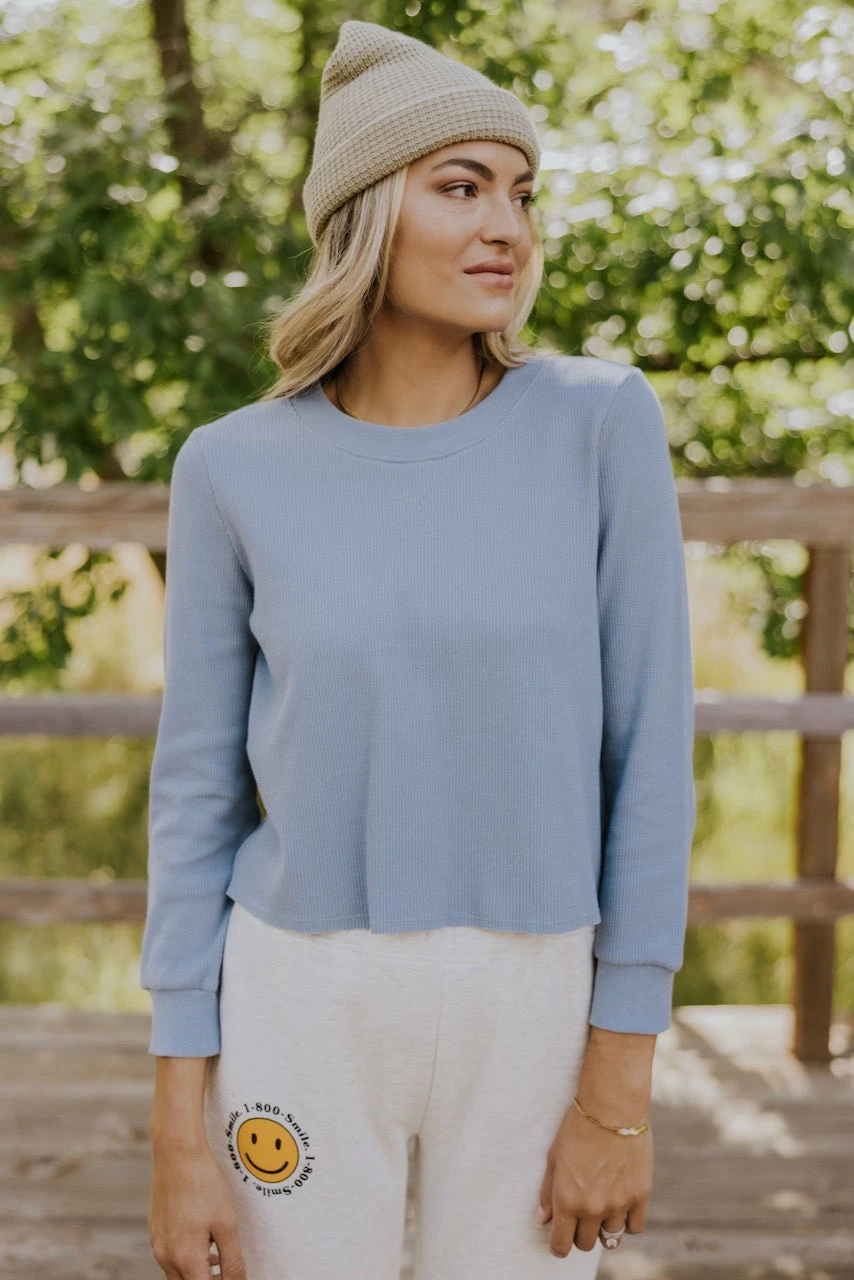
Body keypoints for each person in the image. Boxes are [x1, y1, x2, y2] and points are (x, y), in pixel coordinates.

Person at [140, 18, 696, 1280]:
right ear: (364, 214)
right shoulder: (230, 466)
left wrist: (618, 1083)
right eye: (459, 187)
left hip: (536, 1003)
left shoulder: (597, 423)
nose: (505, 226)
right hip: (294, 1001)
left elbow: (649, 761)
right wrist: (177, 1129)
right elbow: (195, 793)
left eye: (520, 193)